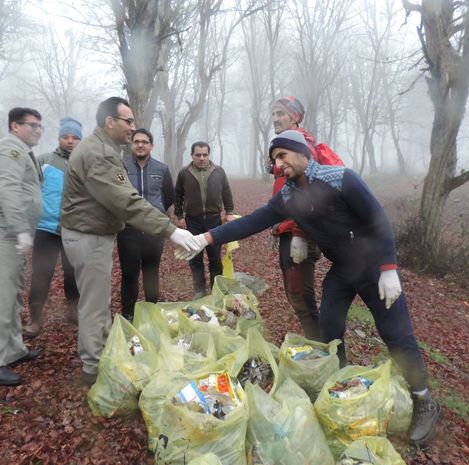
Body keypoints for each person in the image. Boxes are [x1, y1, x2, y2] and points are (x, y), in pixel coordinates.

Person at [177, 130, 442, 446]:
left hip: (373, 267)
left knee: (395, 333)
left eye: (282, 155)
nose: (278, 164)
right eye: (274, 159)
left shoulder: (341, 178)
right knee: (328, 328)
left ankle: (424, 398)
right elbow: (253, 222)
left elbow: (378, 220)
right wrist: (205, 239)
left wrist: (388, 269)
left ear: (301, 152)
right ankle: (341, 387)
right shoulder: (289, 195)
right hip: (343, 270)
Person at [60, 97, 201, 386]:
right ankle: (93, 368)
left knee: (98, 301)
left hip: (93, 233)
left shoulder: (104, 149)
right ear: (110, 122)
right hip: (88, 236)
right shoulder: (99, 154)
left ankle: (100, 355)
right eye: (128, 122)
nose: (132, 128)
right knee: (95, 305)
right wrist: (172, 231)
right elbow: (126, 201)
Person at [0, 107, 44, 386]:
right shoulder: (11, 150)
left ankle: (13, 349)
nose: (38, 130)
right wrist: (19, 229)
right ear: (15, 126)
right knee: (0, 297)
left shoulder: (22, 151)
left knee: (12, 293)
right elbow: (9, 189)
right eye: (32, 125)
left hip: (11, 231)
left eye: (40, 126)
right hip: (2, 228)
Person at [270, 96, 344, 341]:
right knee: (298, 297)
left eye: (281, 113)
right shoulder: (289, 147)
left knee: (301, 298)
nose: (275, 118)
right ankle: (320, 347)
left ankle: (321, 351)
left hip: (299, 235)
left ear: (295, 117)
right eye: (274, 113)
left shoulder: (302, 149)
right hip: (290, 231)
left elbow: (311, 198)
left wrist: (300, 235)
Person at [22, 117, 82, 337]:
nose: (70, 141)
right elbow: (29, 189)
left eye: (75, 137)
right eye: (66, 137)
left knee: (73, 274)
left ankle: (72, 311)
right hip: (46, 228)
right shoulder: (44, 160)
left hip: (74, 229)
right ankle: (35, 319)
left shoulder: (84, 163)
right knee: (41, 274)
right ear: (59, 138)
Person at [116, 128, 174, 321]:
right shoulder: (121, 167)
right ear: (131, 144)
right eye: (136, 141)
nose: (140, 145)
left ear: (151, 145)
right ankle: (129, 314)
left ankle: (151, 311)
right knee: (129, 273)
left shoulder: (161, 169)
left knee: (151, 271)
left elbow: (169, 196)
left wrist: (156, 212)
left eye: (145, 141)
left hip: (154, 230)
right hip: (128, 230)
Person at [174, 142, 234, 299]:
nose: (201, 158)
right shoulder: (184, 173)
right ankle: (199, 291)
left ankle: (216, 291)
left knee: (214, 257)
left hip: (214, 221)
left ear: (208, 155)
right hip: (192, 221)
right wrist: (180, 216)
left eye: (204, 155)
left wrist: (229, 212)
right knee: (194, 257)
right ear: (192, 155)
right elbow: (178, 195)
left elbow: (226, 192)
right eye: (198, 155)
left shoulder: (219, 171)